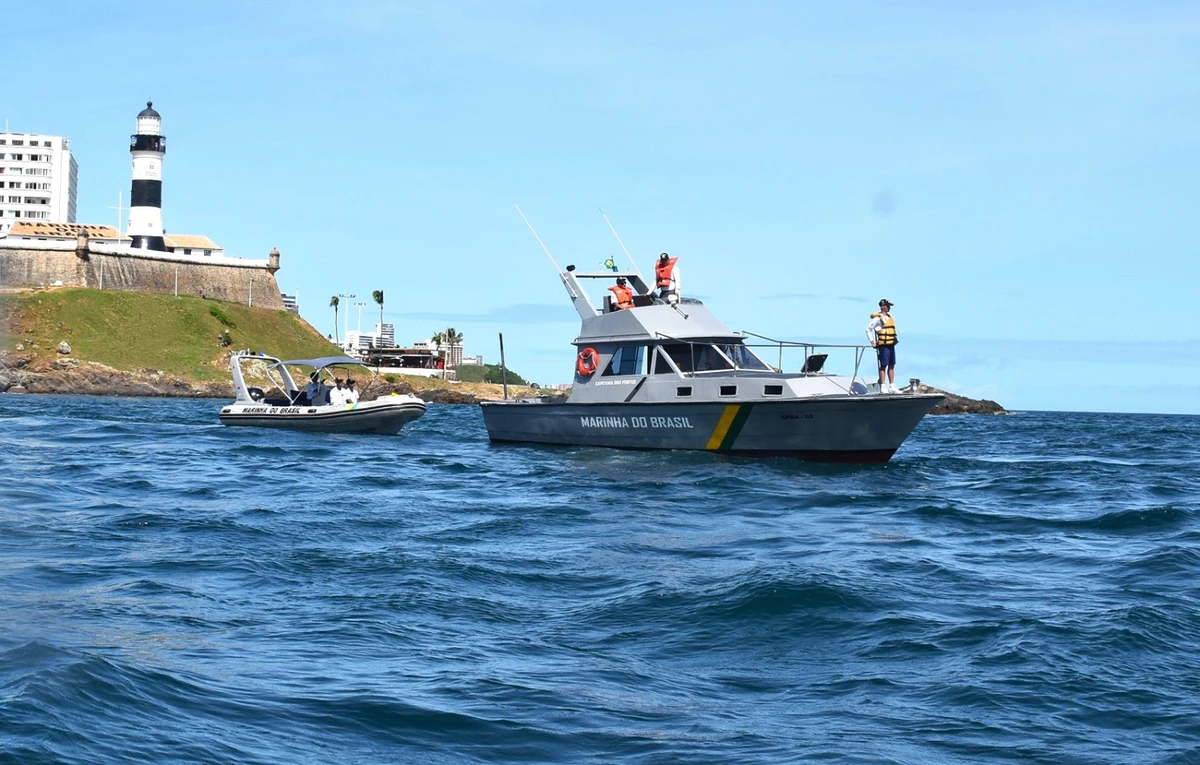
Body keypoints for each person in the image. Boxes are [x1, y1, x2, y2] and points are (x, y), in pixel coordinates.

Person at [866, 299, 899, 393]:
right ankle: (883, 385)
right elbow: (868, 329)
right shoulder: (877, 319)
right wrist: (872, 341)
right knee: (883, 365)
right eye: (888, 306)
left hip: (891, 344)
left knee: (892, 365)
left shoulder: (890, 317)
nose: (889, 308)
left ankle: (892, 385)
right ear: (883, 306)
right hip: (883, 345)